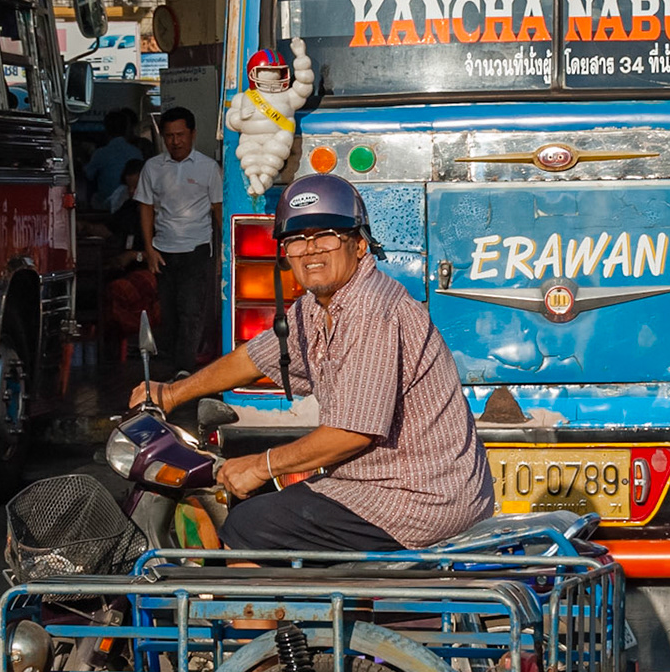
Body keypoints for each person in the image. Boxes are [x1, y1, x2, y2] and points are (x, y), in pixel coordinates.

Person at [130, 174, 494, 552]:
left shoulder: (370, 310)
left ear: (359, 245)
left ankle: (251, 611)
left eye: (326, 236)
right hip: (375, 486)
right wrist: (173, 393)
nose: (310, 250)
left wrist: (260, 465)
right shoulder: (316, 308)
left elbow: (352, 433)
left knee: (249, 524)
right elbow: (256, 357)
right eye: (297, 240)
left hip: (415, 499)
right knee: (256, 507)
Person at [136, 107, 223, 375]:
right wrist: (149, 249)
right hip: (164, 251)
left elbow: (218, 209)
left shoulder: (209, 168)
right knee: (170, 314)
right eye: (169, 136)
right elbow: (146, 208)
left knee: (191, 311)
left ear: (193, 134)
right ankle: (176, 364)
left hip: (197, 249)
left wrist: (224, 252)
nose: (175, 141)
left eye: (181, 135)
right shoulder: (152, 167)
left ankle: (184, 370)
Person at [82, 108, 143, 210]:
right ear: (127, 129)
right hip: (132, 206)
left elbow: (87, 175)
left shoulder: (101, 154)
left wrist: (83, 158)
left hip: (105, 207)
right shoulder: (136, 152)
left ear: (106, 130)